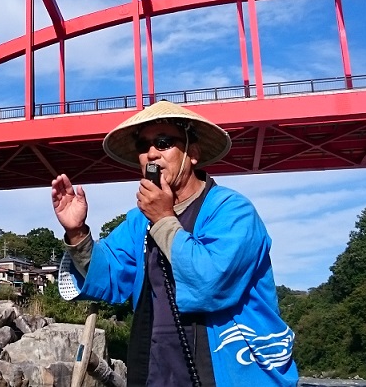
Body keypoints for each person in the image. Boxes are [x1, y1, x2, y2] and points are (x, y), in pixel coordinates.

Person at [50, 100, 298, 386]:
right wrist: (77, 233)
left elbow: (211, 282)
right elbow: (108, 274)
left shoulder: (233, 211)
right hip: (158, 371)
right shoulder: (138, 221)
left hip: (232, 372)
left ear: (193, 154)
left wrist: (164, 219)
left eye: (163, 142)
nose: (151, 153)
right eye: (143, 145)